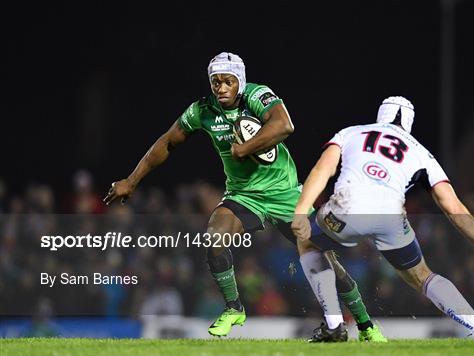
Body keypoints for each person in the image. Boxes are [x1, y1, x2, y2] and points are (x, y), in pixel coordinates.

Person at [103, 52, 385, 341]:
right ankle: (234, 308)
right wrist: (132, 180)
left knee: (326, 263)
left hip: (285, 194)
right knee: (215, 236)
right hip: (243, 195)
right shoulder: (202, 110)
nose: (221, 88)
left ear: (240, 81)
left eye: (228, 81)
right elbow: (168, 141)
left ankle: (365, 325)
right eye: (215, 82)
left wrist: (246, 147)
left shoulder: (257, 95)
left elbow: (284, 125)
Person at [292, 96, 474, 341]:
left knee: (308, 242)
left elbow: (322, 170)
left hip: (348, 208)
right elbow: (454, 207)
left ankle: (334, 325)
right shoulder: (422, 154)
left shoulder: (351, 132)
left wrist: (302, 211)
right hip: (391, 218)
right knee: (423, 275)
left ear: (380, 115)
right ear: (409, 123)